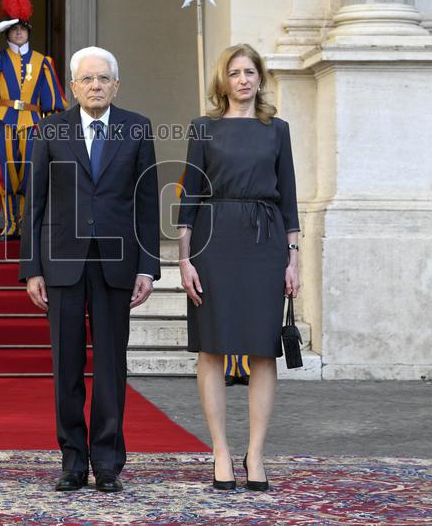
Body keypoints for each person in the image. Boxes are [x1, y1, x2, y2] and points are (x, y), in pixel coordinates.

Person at [19, 46, 160, 493]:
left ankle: (107, 462)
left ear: (116, 85)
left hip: (117, 264)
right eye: (87, 79)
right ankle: (73, 460)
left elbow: (146, 202)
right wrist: (31, 268)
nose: (95, 86)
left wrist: (148, 268)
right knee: (66, 367)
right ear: (73, 87)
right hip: (62, 262)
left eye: (103, 79)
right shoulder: (50, 129)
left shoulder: (137, 127)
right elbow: (35, 203)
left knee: (111, 367)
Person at [176, 43, 301, 492]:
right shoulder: (203, 128)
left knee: (263, 349)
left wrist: (293, 257)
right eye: (235, 72)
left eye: (250, 72)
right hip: (214, 240)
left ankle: (256, 453)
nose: (243, 79)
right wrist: (184, 257)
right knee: (211, 346)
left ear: (260, 78)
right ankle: (221, 451)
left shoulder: (277, 130)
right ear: (223, 80)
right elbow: (189, 193)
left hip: (265, 241)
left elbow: (288, 195)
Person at [0, 0, 67, 239]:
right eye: (13, 28)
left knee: (34, 173)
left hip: (35, 124)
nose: (18, 32)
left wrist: (54, 134)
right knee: (5, 173)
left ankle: (29, 225)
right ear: (7, 31)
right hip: (4, 122)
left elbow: (53, 103)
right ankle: (10, 224)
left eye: (22, 27)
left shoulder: (43, 61)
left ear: (29, 31)